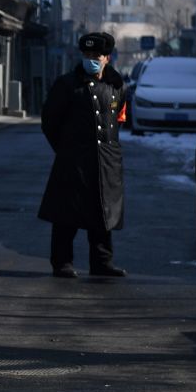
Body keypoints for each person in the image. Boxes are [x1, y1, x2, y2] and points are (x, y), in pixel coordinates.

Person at [37, 32, 128, 279]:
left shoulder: (116, 85)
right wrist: (66, 149)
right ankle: (62, 262)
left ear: (107, 57)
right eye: (86, 55)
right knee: (67, 213)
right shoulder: (67, 85)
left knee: (103, 213)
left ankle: (102, 262)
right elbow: (50, 122)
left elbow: (118, 118)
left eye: (95, 55)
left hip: (106, 161)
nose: (91, 59)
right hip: (73, 160)